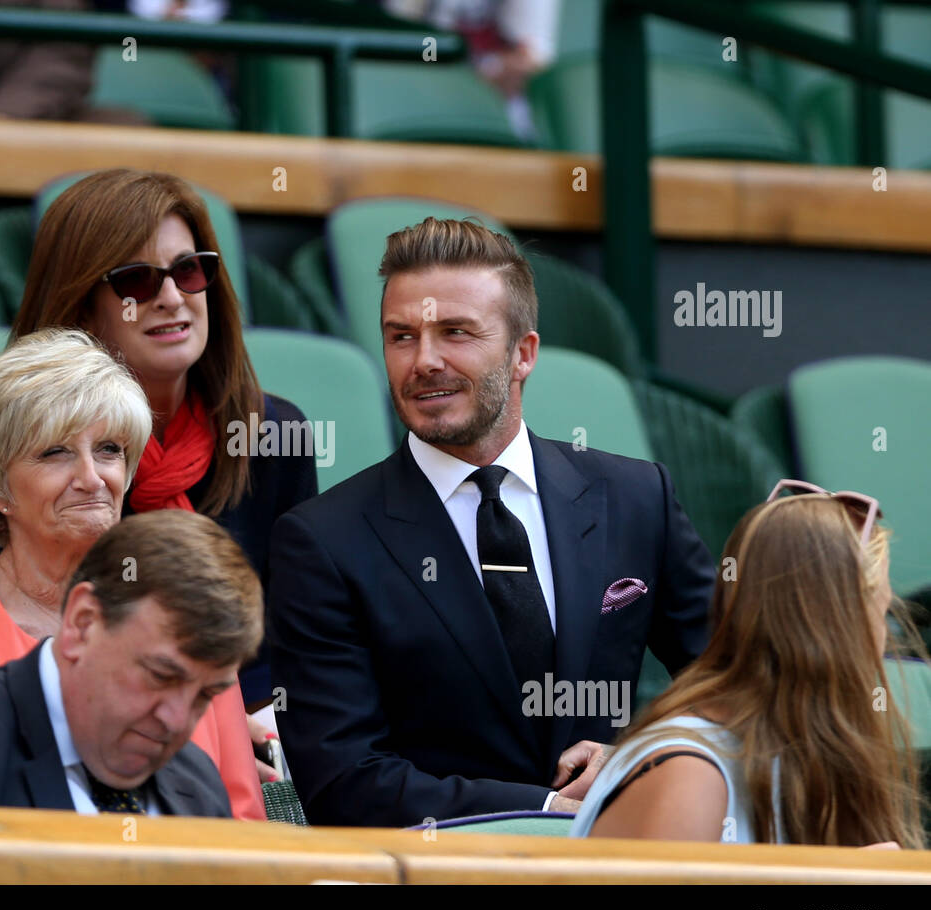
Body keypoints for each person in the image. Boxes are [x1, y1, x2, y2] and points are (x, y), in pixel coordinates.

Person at [269, 217, 715, 827]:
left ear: (523, 353)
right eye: (401, 336)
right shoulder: (322, 540)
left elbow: (732, 688)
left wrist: (639, 761)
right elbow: (343, 780)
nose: (424, 360)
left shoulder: (636, 496)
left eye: (456, 332)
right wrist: (547, 810)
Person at [0, 329, 266, 819]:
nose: (92, 477)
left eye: (108, 449)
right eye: (56, 452)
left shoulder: (190, 611)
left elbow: (242, 818)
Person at [11, 168, 319, 713]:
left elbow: (296, 635)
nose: (173, 297)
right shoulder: (32, 445)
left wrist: (228, 722)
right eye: (137, 280)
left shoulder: (272, 433)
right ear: (82, 304)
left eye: (189, 270)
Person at [572, 481, 925, 848]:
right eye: (882, 615)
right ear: (836, 627)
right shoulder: (689, 772)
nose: (885, 638)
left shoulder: (793, 753)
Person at [0, 509, 262, 817]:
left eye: (205, 695)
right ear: (83, 622)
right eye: (160, 675)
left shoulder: (196, 782)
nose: (175, 720)